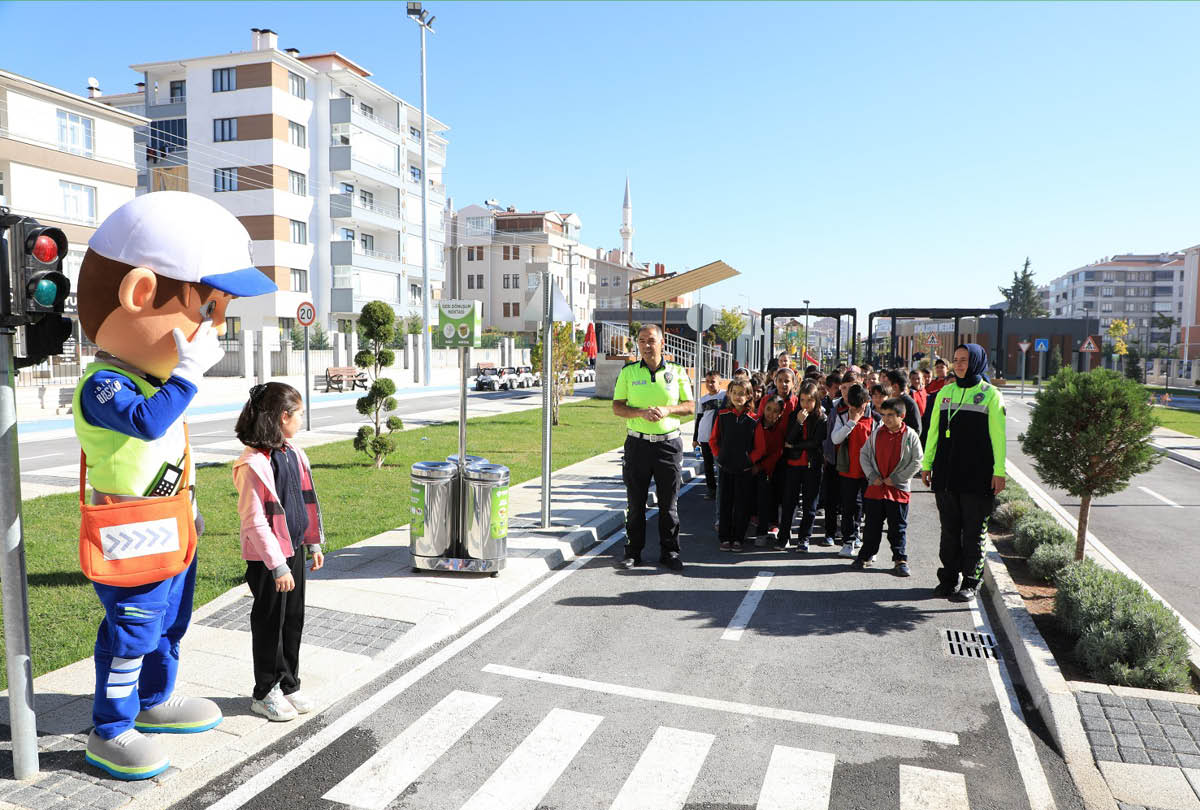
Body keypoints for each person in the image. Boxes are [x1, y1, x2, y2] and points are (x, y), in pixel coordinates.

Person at [73, 192, 277, 779]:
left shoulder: (148, 378)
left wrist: (191, 512)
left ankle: (154, 702)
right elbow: (148, 422)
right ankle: (110, 728)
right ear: (140, 294)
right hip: (129, 534)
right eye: (209, 309)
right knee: (133, 629)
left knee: (170, 624)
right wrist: (187, 375)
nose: (216, 327)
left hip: (171, 530)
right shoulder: (104, 385)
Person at [233, 383, 325, 721]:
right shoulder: (252, 464)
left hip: (295, 551)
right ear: (283, 417)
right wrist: (277, 567)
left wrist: (312, 543)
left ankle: (289, 683)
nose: (301, 419)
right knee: (270, 624)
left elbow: (306, 502)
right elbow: (254, 521)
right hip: (269, 561)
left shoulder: (293, 453)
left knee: (292, 620)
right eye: (299, 413)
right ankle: (265, 691)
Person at [921, 344, 1007, 602]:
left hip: (977, 476)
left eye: (965, 360)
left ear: (977, 362)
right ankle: (948, 578)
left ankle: (970, 581)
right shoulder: (945, 392)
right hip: (947, 475)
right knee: (949, 531)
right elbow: (933, 432)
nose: (959, 365)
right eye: (956, 360)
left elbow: (998, 438)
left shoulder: (991, 394)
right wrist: (927, 465)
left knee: (973, 532)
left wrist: (999, 472)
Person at [612, 324, 695, 570]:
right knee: (635, 503)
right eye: (642, 341)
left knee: (668, 505)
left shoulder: (677, 372)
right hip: (637, 445)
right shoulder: (628, 372)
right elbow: (617, 407)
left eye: (651, 341)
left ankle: (670, 552)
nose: (646, 346)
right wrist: (639, 413)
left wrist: (668, 409)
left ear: (662, 344)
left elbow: (690, 406)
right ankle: (633, 552)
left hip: (668, 445)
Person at [853, 398, 923, 576]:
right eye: (883, 415)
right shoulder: (877, 433)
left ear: (902, 416)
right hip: (876, 489)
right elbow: (864, 454)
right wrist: (872, 475)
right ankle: (865, 556)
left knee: (897, 527)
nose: (886, 419)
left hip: (897, 490)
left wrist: (898, 478)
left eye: (891, 415)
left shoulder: (910, 435)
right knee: (871, 526)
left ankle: (900, 559)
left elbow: (917, 461)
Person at [710, 380, 757, 552]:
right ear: (729, 394)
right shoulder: (722, 415)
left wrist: (748, 461)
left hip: (744, 470)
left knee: (741, 504)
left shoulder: (754, 420)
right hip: (726, 468)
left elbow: (760, 447)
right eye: (735, 392)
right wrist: (719, 457)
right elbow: (713, 440)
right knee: (725, 503)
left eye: (742, 393)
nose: (738, 397)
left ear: (749, 396)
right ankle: (724, 537)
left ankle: (738, 537)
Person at [780, 381, 826, 551]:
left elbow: (815, 443)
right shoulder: (794, 416)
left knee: (810, 505)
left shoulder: (822, 418)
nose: (806, 404)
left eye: (810, 400)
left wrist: (795, 446)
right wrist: (798, 423)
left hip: (812, 465)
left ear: (816, 400)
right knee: (789, 503)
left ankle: (804, 538)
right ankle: (783, 536)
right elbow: (788, 440)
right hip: (793, 464)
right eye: (803, 400)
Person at [830, 384, 873, 558]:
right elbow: (835, 439)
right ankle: (848, 540)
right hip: (848, 470)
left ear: (867, 402)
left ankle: (868, 543)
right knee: (848, 507)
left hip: (869, 472)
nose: (855, 409)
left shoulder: (875, 418)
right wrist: (851, 422)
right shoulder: (842, 417)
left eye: (859, 406)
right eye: (852, 406)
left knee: (869, 508)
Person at [750, 395, 788, 547]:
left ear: (780, 414)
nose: (771, 414)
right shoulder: (755, 425)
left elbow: (777, 452)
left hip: (769, 469)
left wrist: (761, 466)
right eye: (768, 409)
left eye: (775, 411)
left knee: (767, 500)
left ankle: (762, 532)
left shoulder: (778, 431)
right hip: (752, 465)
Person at [692, 371, 723, 499]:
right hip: (705, 436)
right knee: (708, 465)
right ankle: (711, 490)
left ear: (719, 382)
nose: (710, 384)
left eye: (713, 381)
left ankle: (723, 490)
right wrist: (695, 438)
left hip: (720, 437)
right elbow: (699, 419)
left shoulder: (725, 395)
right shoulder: (702, 400)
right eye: (708, 381)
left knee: (720, 465)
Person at [885, 369, 923, 436]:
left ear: (895, 386)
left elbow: (917, 429)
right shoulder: (889, 401)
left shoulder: (909, 404)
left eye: (887, 385)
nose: (884, 388)